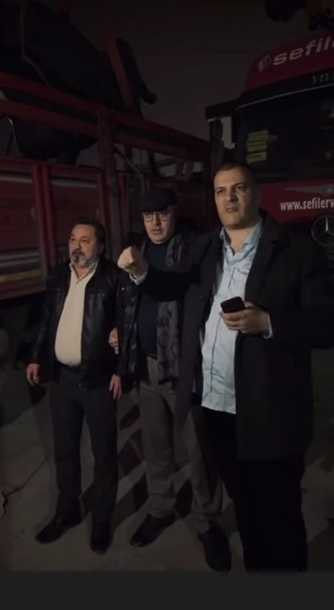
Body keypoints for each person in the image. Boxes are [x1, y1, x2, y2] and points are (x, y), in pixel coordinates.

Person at [117, 161, 334, 572]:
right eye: (221, 191)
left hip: (270, 412)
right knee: (247, 512)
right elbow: (173, 286)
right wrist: (141, 271)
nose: (230, 198)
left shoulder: (296, 251)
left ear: (256, 193)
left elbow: (330, 323)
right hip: (218, 410)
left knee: (280, 517)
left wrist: (270, 323)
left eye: (238, 188)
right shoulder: (206, 248)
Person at [109, 187, 230, 572]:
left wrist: (142, 271)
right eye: (148, 216)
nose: (156, 223)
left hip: (185, 367)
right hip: (144, 365)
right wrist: (121, 329)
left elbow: (174, 285)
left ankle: (207, 522)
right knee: (156, 445)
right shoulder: (138, 248)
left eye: (162, 214)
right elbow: (129, 300)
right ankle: (160, 508)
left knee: (199, 448)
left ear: (174, 212)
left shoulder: (194, 247)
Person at [26, 216, 133, 554]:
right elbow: (46, 321)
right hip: (62, 381)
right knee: (65, 451)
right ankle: (67, 510)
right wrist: (36, 357)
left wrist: (121, 369)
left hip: (99, 382)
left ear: (100, 246)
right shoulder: (59, 277)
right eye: (73, 239)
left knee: (104, 455)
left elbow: (127, 326)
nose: (77, 245)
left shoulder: (115, 279)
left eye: (85, 240)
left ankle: (101, 520)